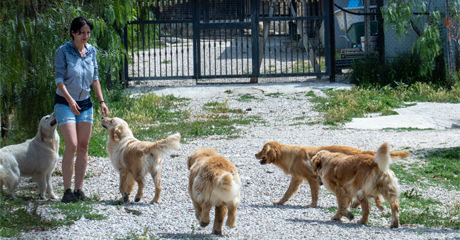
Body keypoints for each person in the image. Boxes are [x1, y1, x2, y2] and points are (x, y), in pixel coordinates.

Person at [54, 17, 109, 203]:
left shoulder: (91, 51)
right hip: (64, 102)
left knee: (84, 146)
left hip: (85, 103)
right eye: (82, 32)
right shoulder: (63, 51)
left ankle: (79, 189)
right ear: (73, 33)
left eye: (88, 33)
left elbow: (95, 78)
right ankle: (67, 191)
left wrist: (101, 101)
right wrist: (69, 100)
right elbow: (59, 80)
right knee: (72, 145)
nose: (86, 36)